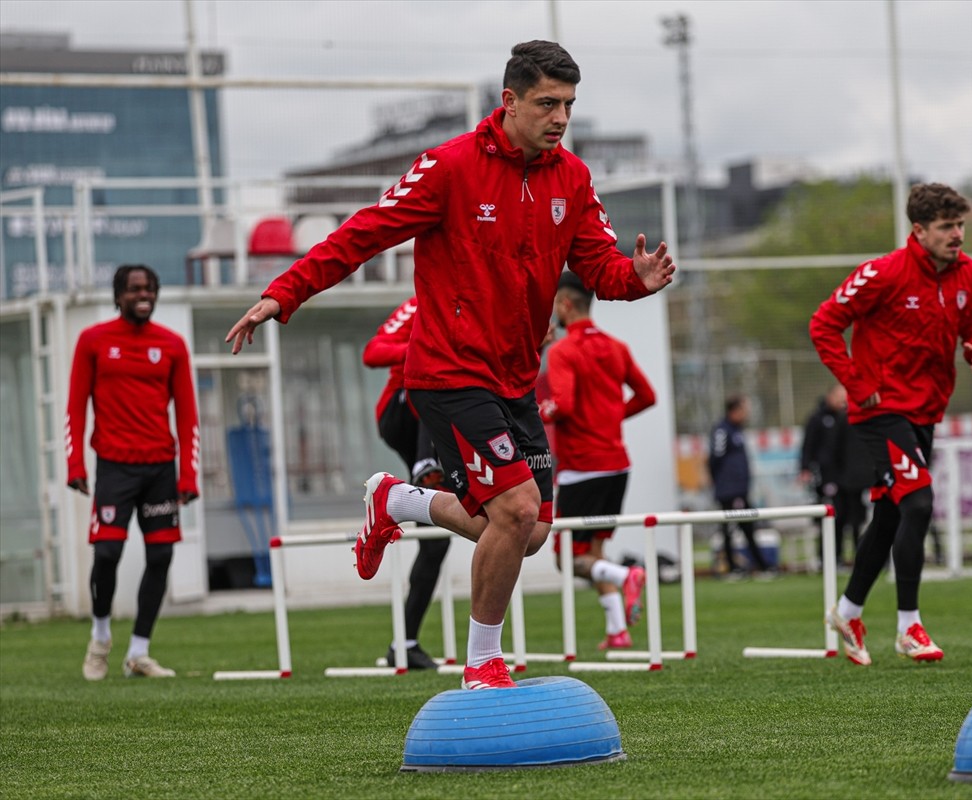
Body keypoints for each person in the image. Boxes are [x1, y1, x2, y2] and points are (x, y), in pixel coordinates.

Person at [226, 41, 675, 690]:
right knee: (516, 511)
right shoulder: (448, 167)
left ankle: (399, 499)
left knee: (533, 532)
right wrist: (282, 292)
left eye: (569, 106)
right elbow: (361, 233)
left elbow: (600, 268)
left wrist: (635, 279)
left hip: (516, 378)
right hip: (445, 373)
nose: (560, 118)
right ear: (509, 101)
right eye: (547, 104)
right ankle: (482, 664)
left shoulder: (572, 178)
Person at [810, 183, 972, 665]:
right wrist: (854, 380)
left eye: (960, 225)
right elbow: (824, 323)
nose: (957, 235)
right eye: (946, 227)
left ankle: (847, 610)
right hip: (879, 410)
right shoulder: (883, 273)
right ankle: (908, 625)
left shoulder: (971, 275)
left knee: (891, 514)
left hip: (926, 409)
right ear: (919, 230)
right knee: (920, 501)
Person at [67, 264, 200, 680]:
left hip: (160, 467)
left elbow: (189, 414)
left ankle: (139, 652)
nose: (143, 295)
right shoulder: (93, 341)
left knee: (161, 554)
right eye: (134, 289)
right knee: (106, 553)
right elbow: (74, 407)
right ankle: (101, 637)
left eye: (149, 288)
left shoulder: (173, 345)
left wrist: (188, 475)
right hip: (113, 468)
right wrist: (74, 463)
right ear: (119, 295)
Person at [538, 270, 655, 650]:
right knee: (594, 551)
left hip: (581, 468)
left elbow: (564, 405)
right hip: (617, 465)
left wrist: (537, 409)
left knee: (566, 559)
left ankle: (625, 577)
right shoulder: (615, 346)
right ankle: (618, 630)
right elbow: (646, 395)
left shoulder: (563, 351)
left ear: (565, 304)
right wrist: (610, 416)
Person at [362, 296, 450, 670]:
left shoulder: (488, 295)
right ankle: (425, 470)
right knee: (437, 374)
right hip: (402, 411)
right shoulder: (418, 304)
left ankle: (405, 642)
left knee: (436, 542)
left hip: (451, 416)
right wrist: (423, 344)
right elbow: (373, 352)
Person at [799, 384, 873, 566]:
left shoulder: (849, 419)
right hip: (828, 478)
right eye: (840, 396)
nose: (842, 401)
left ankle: (857, 555)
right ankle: (829, 557)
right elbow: (809, 446)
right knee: (832, 518)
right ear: (830, 396)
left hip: (848, 480)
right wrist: (806, 469)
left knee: (854, 518)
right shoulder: (817, 419)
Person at [708, 395, 774, 579]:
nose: (746, 414)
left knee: (747, 527)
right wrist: (723, 483)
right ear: (734, 410)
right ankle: (733, 568)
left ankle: (760, 566)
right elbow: (715, 458)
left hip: (739, 489)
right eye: (744, 410)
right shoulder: (722, 430)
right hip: (729, 490)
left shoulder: (736, 430)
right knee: (730, 529)